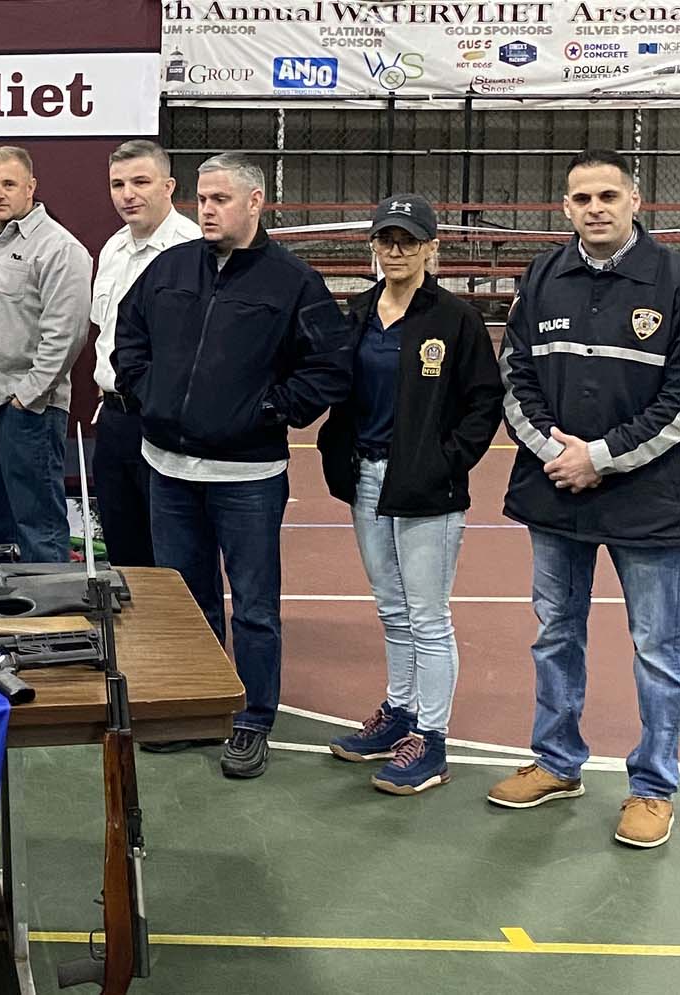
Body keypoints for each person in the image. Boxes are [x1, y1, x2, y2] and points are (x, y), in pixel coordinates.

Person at [113, 152, 352, 778]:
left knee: (253, 605)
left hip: (246, 478)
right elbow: (127, 337)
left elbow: (329, 367)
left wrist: (269, 410)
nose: (207, 209)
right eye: (202, 198)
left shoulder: (292, 282)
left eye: (220, 199)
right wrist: (148, 396)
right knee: (186, 602)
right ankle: (196, 708)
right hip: (167, 468)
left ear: (255, 202)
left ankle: (251, 720)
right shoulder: (168, 269)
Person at [489, 149, 680, 849]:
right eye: (580, 198)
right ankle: (555, 760)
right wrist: (556, 454)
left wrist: (599, 457)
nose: (593, 207)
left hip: (650, 500)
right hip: (556, 493)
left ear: (636, 201)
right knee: (554, 634)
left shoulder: (672, 278)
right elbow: (515, 378)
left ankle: (654, 785)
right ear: (564, 208)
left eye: (607, 194)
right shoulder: (542, 276)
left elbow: (678, 398)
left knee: (657, 647)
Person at [316, 194, 504, 794]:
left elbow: (484, 402)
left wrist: (446, 462)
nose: (395, 249)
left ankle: (433, 738)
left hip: (426, 487)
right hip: (367, 478)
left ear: (431, 248)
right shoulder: (361, 310)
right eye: (386, 238)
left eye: (408, 240)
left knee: (427, 615)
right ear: (373, 244)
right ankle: (398, 713)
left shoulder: (454, 318)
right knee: (392, 608)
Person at [0, 145, 92, 563]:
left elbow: (66, 335)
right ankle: (3, 616)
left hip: (28, 410)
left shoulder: (60, 248)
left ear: (31, 187)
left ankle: (54, 623)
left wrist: (25, 398)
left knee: (39, 526)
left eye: (9, 184)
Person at [89, 140, 199, 568]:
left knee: (173, 550)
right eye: (118, 184)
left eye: (140, 182)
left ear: (168, 186)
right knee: (123, 549)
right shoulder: (112, 249)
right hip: (115, 419)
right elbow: (105, 334)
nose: (127, 194)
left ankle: (184, 635)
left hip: (166, 421)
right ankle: (133, 636)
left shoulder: (194, 250)